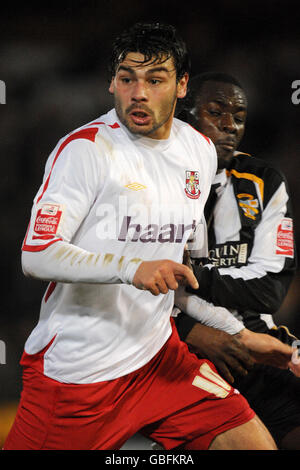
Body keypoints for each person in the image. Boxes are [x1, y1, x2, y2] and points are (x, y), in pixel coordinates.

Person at [4, 24, 292, 451]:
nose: (138, 93)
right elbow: (36, 255)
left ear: (181, 86)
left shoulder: (198, 150)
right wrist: (129, 268)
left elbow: (180, 276)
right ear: (112, 83)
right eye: (127, 79)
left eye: (154, 80)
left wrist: (238, 335)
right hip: (80, 375)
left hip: (160, 359)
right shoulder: (85, 151)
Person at [174, 72, 300, 449]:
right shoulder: (157, 182)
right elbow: (147, 283)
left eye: (240, 117)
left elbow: (270, 292)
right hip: (178, 348)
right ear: (186, 116)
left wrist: (194, 275)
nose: (230, 125)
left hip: (256, 348)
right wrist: (196, 332)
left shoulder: (264, 180)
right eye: (216, 112)